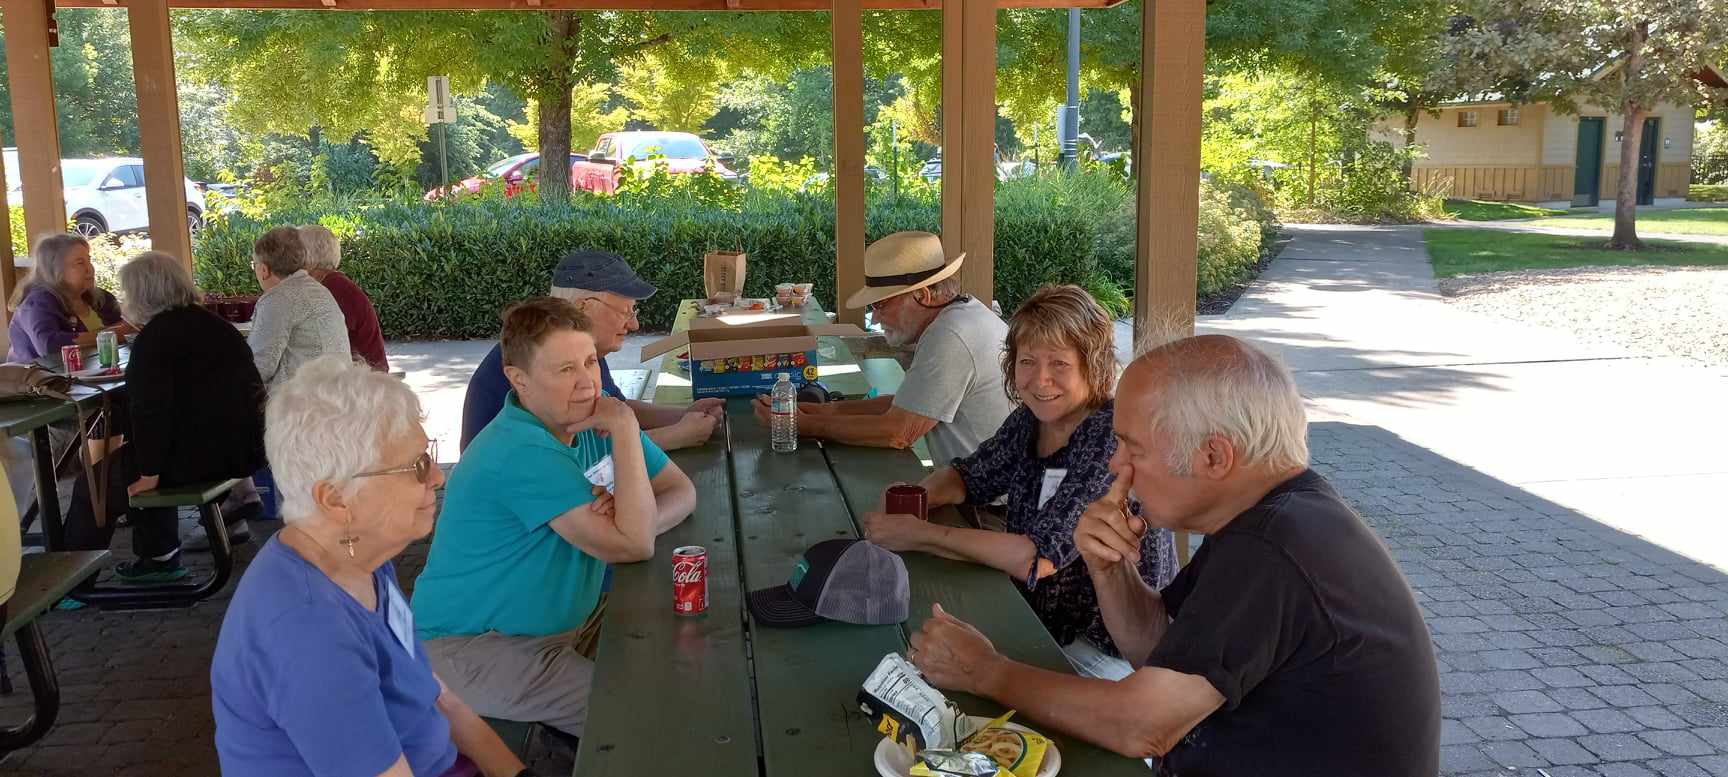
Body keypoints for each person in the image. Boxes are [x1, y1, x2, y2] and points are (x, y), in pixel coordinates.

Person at [905, 335, 1441, 776]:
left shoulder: (1274, 549)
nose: (1116, 464)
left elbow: (1141, 726)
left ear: (1214, 456)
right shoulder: (1275, 518)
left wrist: (986, 672)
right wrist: (1110, 569)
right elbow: (1160, 651)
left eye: (1133, 447)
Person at [211, 356, 534, 777]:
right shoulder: (308, 631)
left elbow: (436, 694)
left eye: (429, 456)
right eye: (416, 466)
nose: (436, 477)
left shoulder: (359, 557)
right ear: (336, 498)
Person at [414, 297, 696, 737]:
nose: (586, 383)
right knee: (647, 722)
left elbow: (681, 490)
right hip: (476, 646)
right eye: (565, 369)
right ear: (518, 380)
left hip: (566, 625)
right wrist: (626, 439)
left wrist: (630, 515)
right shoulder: (521, 449)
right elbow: (634, 545)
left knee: (693, 657)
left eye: (590, 362)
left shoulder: (593, 418)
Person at [861, 285, 1175, 680]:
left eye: (1059, 363)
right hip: (1039, 620)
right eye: (1027, 361)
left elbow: (1037, 559)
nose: (1040, 380)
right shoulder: (1031, 420)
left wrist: (920, 534)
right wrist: (917, 495)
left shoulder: (1108, 438)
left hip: (1107, 650)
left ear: (1092, 365)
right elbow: (968, 475)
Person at [73, 252, 267, 582]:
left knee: (94, 483)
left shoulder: (154, 340)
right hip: (246, 449)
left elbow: (150, 413)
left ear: (141, 295)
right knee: (139, 457)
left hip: (203, 457)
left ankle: (73, 581)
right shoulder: (215, 325)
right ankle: (157, 556)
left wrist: (149, 473)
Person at [751, 231, 1013, 466]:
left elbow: (899, 432)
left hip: (988, 503)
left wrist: (801, 424)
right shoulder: (963, 317)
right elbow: (907, 406)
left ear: (922, 295)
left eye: (881, 305)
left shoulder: (950, 336)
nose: (875, 318)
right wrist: (820, 410)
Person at [458, 249, 722, 453]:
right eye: (625, 311)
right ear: (583, 307)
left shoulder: (578, 349)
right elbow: (579, 457)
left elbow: (617, 409)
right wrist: (676, 435)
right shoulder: (538, 362)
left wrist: (684, 415)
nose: (634, 324)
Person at [247, 225, 351, 389]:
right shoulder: (319, 290)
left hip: (304, 399)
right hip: (339, 393)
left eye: (254, 265)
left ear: (264, 269)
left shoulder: (278, 298)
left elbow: (258, 368)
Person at [6, 232, 133, 362]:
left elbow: (128, 328)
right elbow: (48, 344)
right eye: (80, 263)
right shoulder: (36, 303)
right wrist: (109, 335)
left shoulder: (100, 298)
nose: (90, 269)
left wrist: (122, 330)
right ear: (55, 270)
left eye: (89, 260)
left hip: (96, 372)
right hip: (41, 374)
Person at [300, 224, 389, 372]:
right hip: (356, 375)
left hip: (360, 380)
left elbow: (315, 343)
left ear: (308, 257)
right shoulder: (332, 284)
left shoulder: (333, 288)